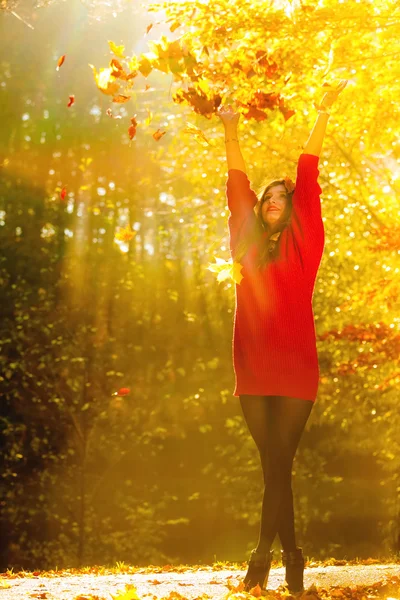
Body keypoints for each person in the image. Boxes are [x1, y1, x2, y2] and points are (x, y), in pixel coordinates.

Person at [217, 80, 348, 594]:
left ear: (293, 209)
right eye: (267, 196)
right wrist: (230, 128)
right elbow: (236, 186)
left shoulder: (306, 244)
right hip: (251, 366)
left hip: (295, 369)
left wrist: (321, 112)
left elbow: (308, 178)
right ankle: (292, 557)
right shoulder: (245, 245)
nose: (273, 199)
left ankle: (261, 559)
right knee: (276, 467)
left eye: (280, 196)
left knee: (279, 463)